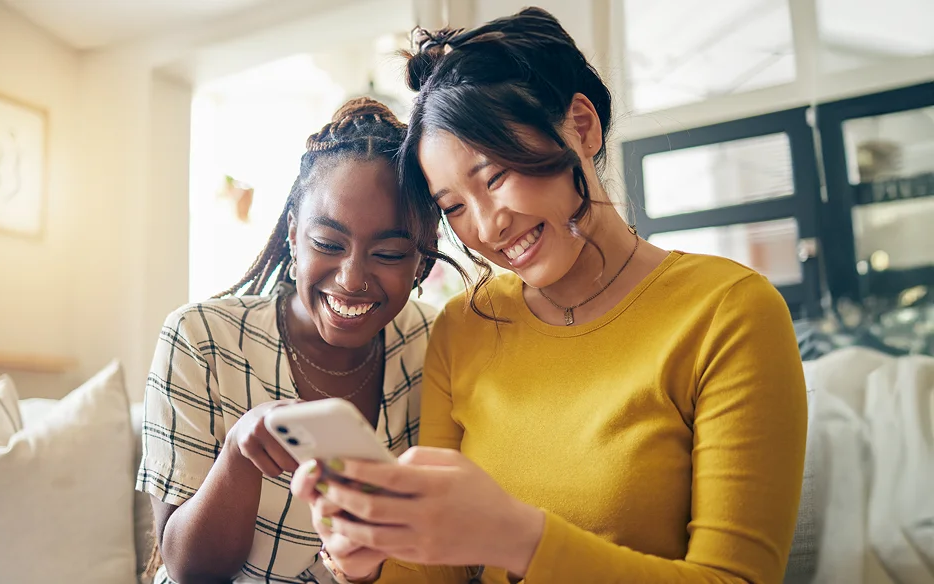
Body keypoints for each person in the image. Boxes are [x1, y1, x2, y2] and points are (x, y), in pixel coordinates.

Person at [292, 8, 808, 584]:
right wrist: (360, 566)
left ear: (582, 127)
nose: (486, 228)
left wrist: (516, 537)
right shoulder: (464, 326)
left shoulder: (728, 312)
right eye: (453, 206)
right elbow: (432, 573)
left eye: (494, 176)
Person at [136, 97, 459, 583]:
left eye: (389, 253)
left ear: (423, 260)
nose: (351, 280)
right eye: (328, 244)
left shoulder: (433, 343)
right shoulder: (200, 339)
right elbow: (189, 570)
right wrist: (240, 455)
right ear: (292, 234)